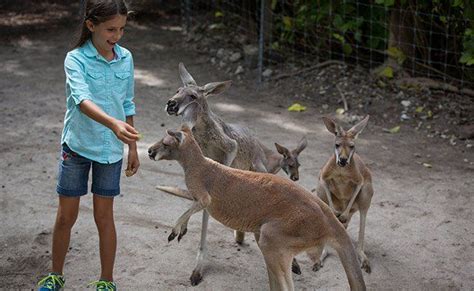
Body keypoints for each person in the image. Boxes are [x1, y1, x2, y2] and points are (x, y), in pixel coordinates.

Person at [37, 1, 139, 290]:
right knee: (65, 216)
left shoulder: (126, 58)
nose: (117, 35)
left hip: (110, 150)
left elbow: (127, 101)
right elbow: (81, 101)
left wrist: (131, 146)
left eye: (121, 29)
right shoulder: (75, 59)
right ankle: (55, 275)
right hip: (77, 148)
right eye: (110, 29)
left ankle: (106, 281)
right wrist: (114, 124)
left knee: (104, 217)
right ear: (90, 25)